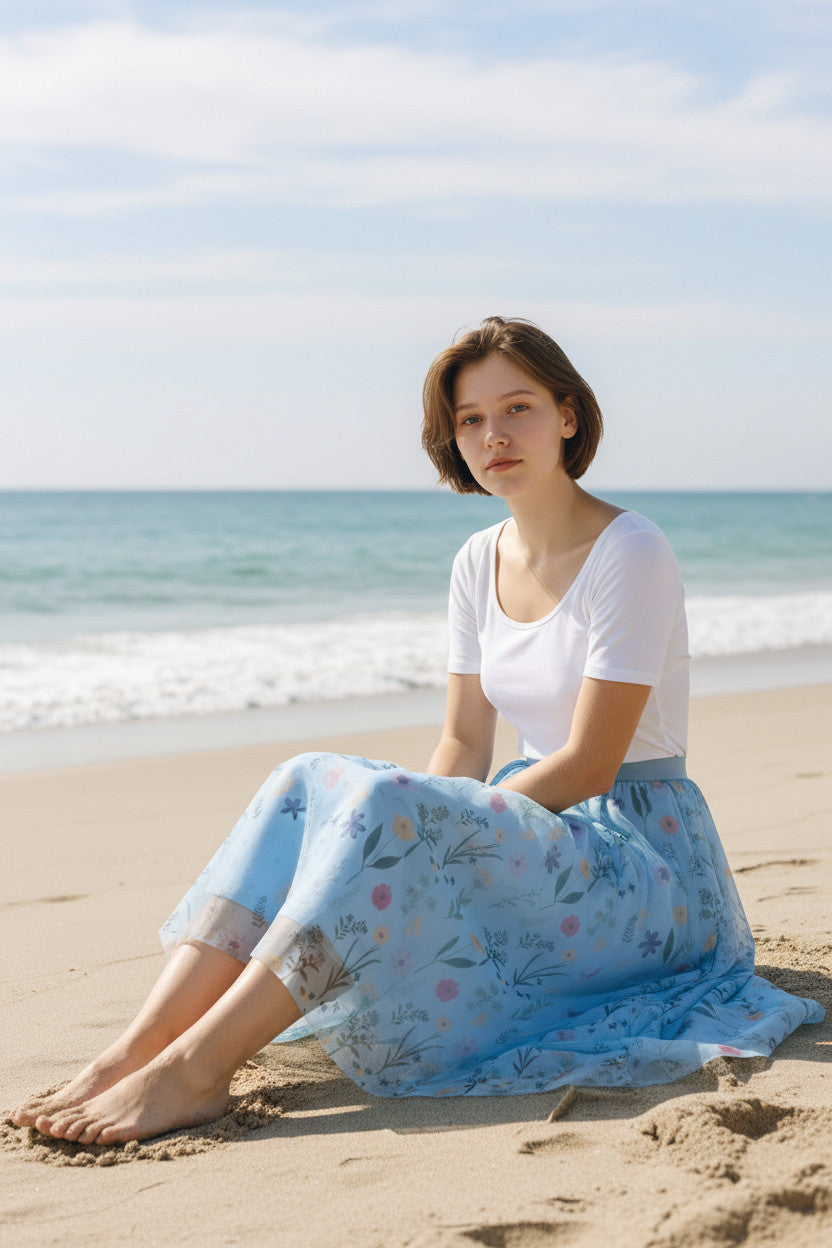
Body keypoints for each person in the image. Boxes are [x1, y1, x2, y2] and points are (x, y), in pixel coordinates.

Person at [13, 316, 822, 1146]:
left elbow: (589, 763)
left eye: (517, 408)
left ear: (569, 415)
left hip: (644, 866)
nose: (493, 435)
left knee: (396, 807)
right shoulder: (478, 559)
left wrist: (441, 826)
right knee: (308, 780)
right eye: (470, 420)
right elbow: (463, 748)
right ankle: (135, 1051)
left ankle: (196, 1071)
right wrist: (426, 815)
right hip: (539, 841)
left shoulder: (632, 550)